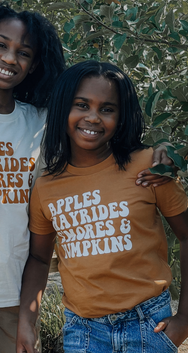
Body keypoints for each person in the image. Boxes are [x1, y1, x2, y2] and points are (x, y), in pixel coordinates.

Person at [0, 0, 173, 353]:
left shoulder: (39, 120)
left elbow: (97, 140)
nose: (10, 58)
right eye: (0, 45)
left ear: (35, 64)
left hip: (18, 291)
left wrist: (162, 149)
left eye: (23, 52)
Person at [17, 60, 188, 353]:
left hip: (148, 325)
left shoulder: (149, 166)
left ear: (121, 116)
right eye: (81, 105)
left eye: (107, 109)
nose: (93, 117)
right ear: (62, 108)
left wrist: (185, 318)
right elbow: (39, 258)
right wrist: (26, 321)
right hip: (83, 333)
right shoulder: (46, 187)